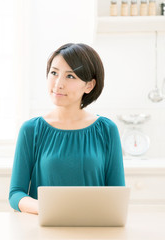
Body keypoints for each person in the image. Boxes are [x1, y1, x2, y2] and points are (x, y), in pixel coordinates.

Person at [8, 43, 125, 214]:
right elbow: (16, 194)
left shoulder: (106, 130)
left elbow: (117, 195)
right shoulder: (31, 130)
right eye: (54, 73)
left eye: (70, 76)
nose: (58, 84)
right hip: (46, 228)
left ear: (89, 85)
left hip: (94, 228)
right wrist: (46, 208)